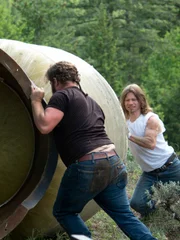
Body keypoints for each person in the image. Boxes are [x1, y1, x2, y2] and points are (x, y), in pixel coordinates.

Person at [30, 61, 157, 240]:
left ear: (56, 80)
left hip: (88, 165)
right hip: (113, 163)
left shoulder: (62, 96)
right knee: (125, 216)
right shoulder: (92, 102)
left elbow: (44, 125)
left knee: (64, 212)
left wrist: (36, 100)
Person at [120, 83, 180, 217]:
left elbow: (150, 143)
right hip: (150, 173)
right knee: (137, 203)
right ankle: (158, 217)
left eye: (133, 99)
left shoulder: (150, 118)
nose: (130, 103)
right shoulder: (124, 122)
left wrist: (128, 135)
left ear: (141, 100)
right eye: (127, 100)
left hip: (171, 168)